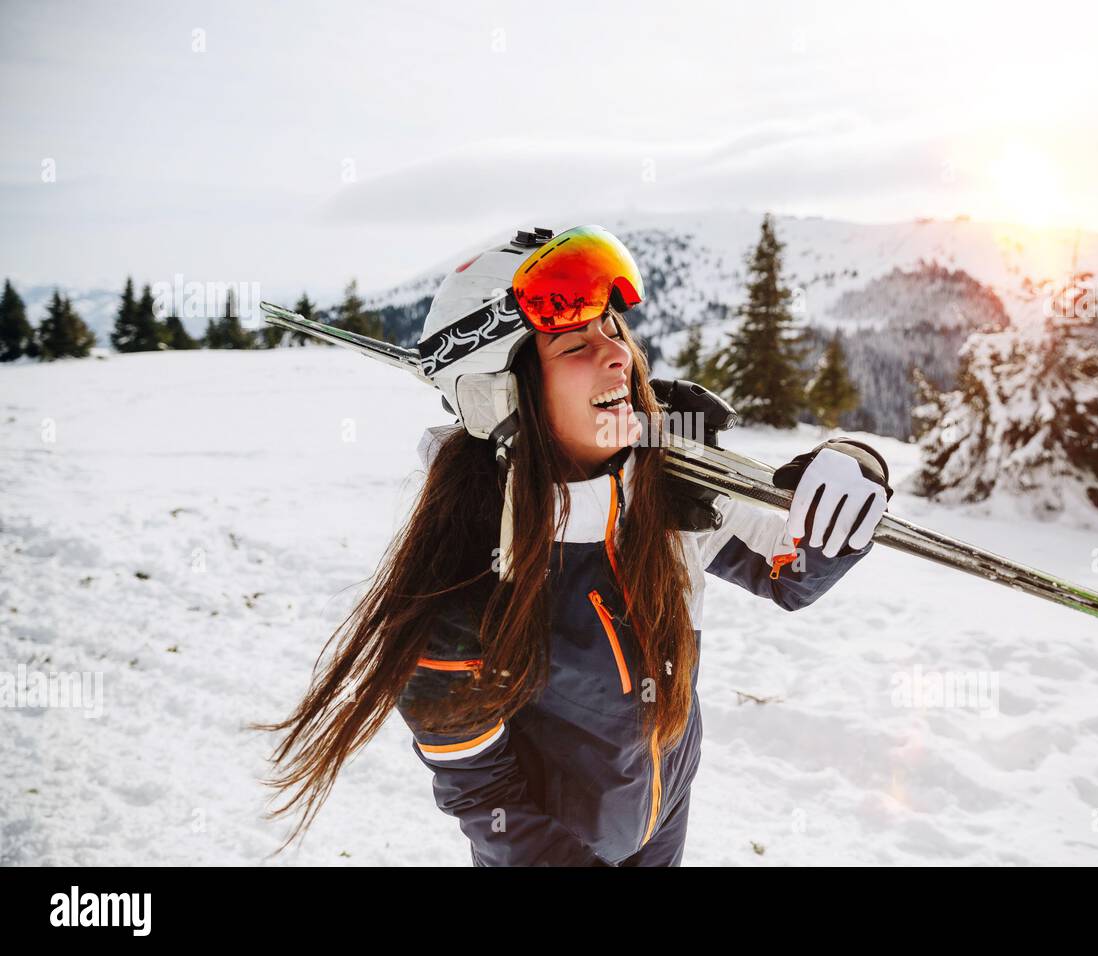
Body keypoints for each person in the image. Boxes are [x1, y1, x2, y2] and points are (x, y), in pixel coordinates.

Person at [254, 224, 892, 866]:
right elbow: (484, 795)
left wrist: (853, 470)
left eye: (614, 329)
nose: (619, 356)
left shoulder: (668, 491)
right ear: (505, 394)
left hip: (664, 822)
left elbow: (792, 571)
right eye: (573, 345)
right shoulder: (460, 579)